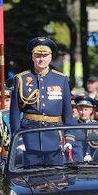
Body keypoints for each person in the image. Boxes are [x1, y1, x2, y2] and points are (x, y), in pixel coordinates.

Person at [9, 36, 72, 165]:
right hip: (29, 138)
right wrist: (18, 139)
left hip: (55, 138)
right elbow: (14, 113)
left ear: (50, 57)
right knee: (32, 180)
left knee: (56, 179)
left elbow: (67, 112)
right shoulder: (21, 79)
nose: (41, 59)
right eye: (38, 55)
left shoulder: (61, 79)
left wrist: (69, 137)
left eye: (45, 55)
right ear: (32, 57)